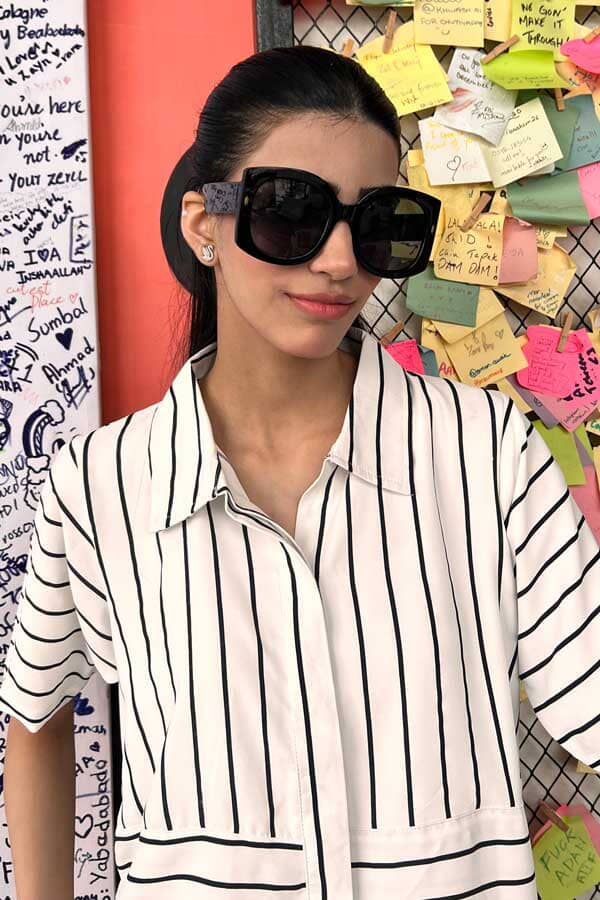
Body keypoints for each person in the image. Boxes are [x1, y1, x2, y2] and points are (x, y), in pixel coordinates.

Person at [1, 44, 598, 900]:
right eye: (291, 211)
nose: (340, 261)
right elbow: (35, 712)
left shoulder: (487, 454)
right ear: (203, 224)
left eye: (381, 222)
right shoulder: (100, 485)